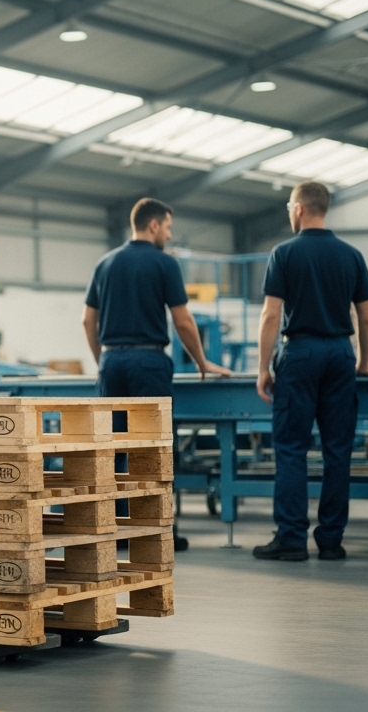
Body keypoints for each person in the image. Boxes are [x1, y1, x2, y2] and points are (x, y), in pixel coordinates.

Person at [82, 198, 231, 551]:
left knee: (113, 449)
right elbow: (182, 320)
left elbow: (88, 320)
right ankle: (156, 530)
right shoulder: (164, 264)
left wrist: (103, 358)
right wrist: (202, 361)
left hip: (112, 363)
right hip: (148, 362)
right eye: (167, 227)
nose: (168, 233)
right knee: (153, 449)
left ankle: (116, 529)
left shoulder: (105, 263)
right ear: (153, 226)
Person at [254, 181, 368, 562]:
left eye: (290, 206)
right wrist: (363, 362)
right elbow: (367, 319)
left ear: (300, 209)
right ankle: (331, 541)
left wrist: (262, 367)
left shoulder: (284, 253)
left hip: (300, 353)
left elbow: (271, 314)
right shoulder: (351, 255)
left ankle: (291, 539)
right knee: (338, 449)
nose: (289, 211)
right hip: (340, 354)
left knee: (291, 448)